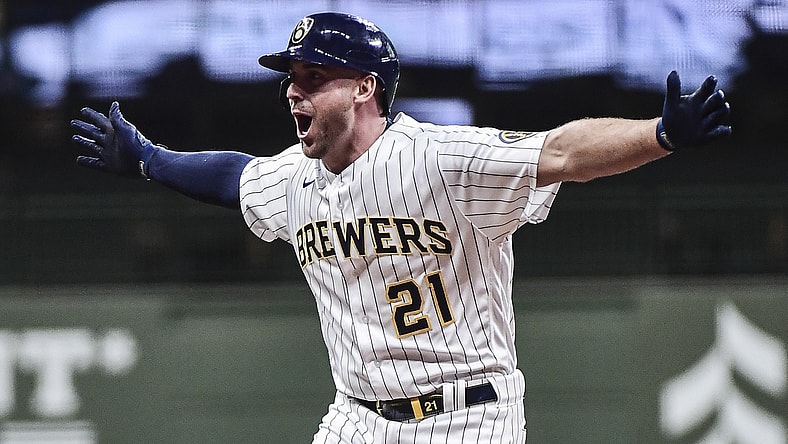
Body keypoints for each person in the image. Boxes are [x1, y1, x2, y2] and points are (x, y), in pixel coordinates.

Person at [70, 12, 731, 444]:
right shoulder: (294, 180)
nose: (292, 93)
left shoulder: (440, 158)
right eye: (290, 80)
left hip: (466, 417)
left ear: (364, 86)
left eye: (312, 78)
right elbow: (230, 177)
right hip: (354, 416)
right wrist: (150, 160)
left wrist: (661, 134)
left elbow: (560, 151)